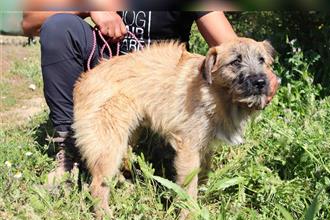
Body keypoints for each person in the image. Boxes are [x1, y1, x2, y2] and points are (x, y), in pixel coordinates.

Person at [22, 10, 278, 184]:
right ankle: (68, 149)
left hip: (161, 83)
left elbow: (233, 46)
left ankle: (154, 150)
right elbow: (30, 22)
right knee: (59, 27)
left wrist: (263, 75)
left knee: (176, 155)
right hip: (109, 68)